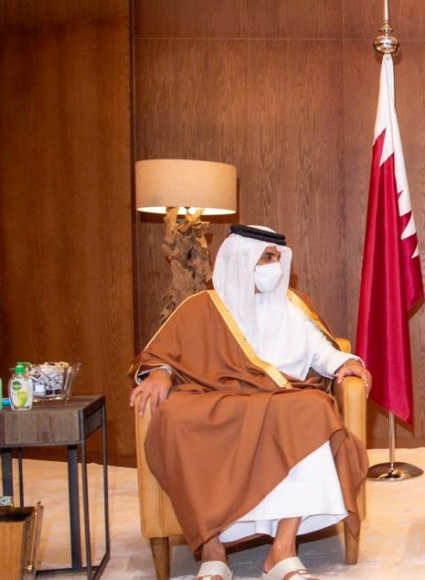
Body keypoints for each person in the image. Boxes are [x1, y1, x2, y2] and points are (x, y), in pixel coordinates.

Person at [129, 224, 371, 580]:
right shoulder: (202, 306)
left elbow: (322, 350)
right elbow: (162, 352)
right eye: (266, 258)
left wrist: (345, 363)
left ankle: (283, 553)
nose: (274, 266)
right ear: (241, 261)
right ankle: (213, 554)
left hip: (278, 397)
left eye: (277, 258)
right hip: (214, 395)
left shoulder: (293, 305)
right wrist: (160, 372)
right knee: (175, 418)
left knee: (314, 409)